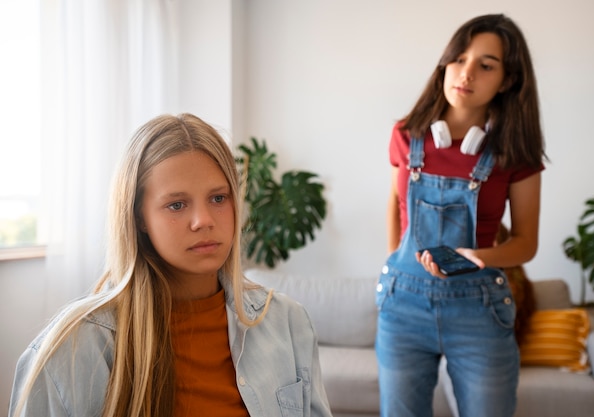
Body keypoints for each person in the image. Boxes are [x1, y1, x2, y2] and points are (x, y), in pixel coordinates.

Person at [9, 113, 333, 417]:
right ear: (139, 218)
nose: (203, 221)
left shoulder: (289, 323)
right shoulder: (72, 350)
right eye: (176, 204)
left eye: (218, 198)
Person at [376, 14, 546, 417]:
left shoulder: (515, 153)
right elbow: (394, 206)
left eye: (486, 65)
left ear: (506, 81)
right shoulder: (406, 135)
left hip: (479, 310)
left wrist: (478, 256)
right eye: (459, 59)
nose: (466, 73)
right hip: (403, 307)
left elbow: (526, 243)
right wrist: (396, 262)